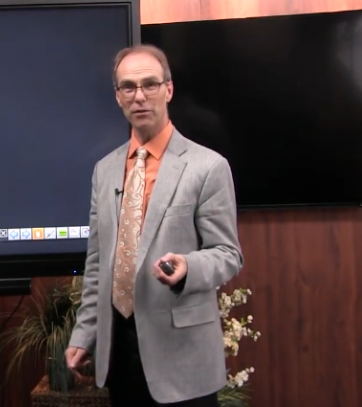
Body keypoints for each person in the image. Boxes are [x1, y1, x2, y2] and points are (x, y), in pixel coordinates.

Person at [65, 44, 244, 407]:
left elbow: (228, 254)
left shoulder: (208, 167)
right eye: (128, 87)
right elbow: (98, 263)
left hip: (183, 357)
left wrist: (188, 267)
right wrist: (85, 333)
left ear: (168, 89)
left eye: (150, 84)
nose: (139, 96)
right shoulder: (105, 170)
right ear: (118, 97)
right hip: (120, 351)